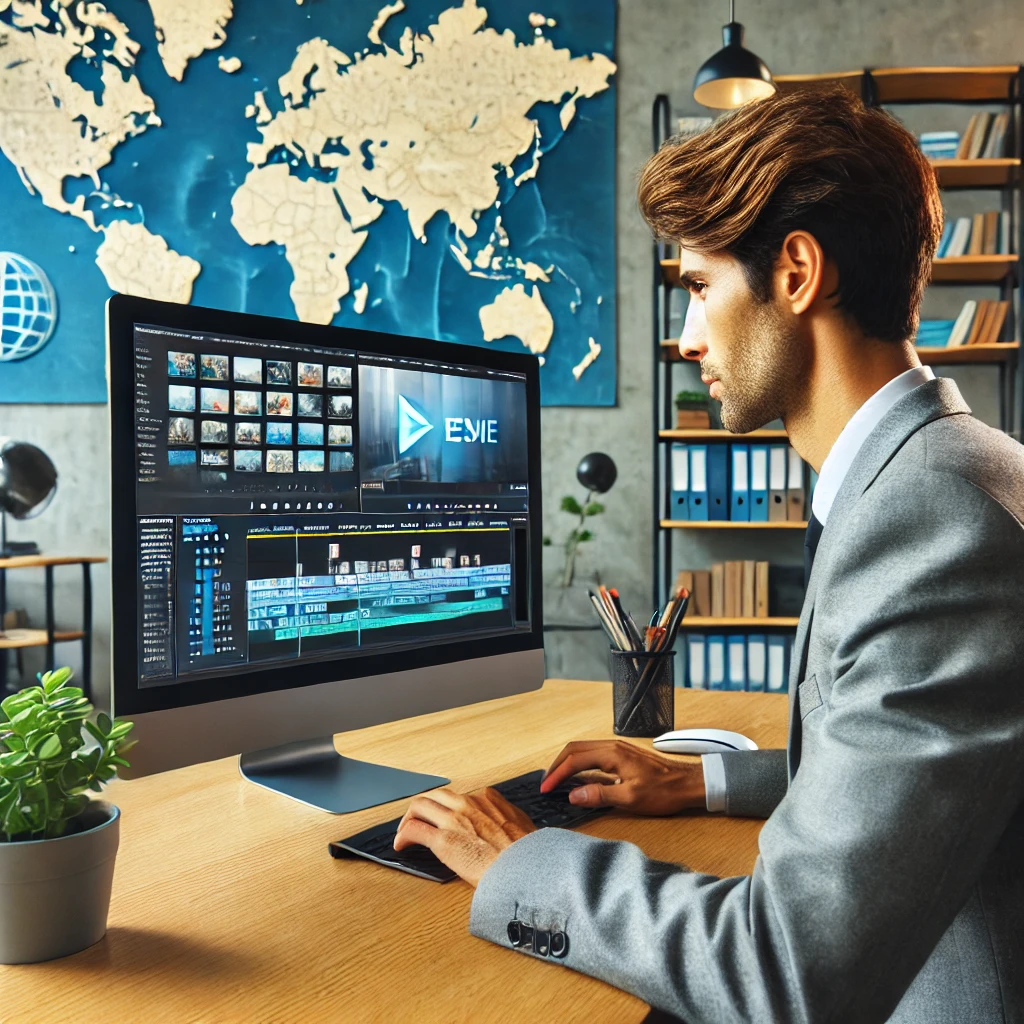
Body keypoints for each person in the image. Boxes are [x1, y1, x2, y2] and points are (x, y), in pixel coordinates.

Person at [392, 86, 1024, 1022]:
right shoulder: (955, 468)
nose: (687, 340)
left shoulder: (932, 521)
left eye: (698, 286)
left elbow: (785, 972)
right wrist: (700, 778)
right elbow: (915, 778)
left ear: (797, 273)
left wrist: (522, 861)